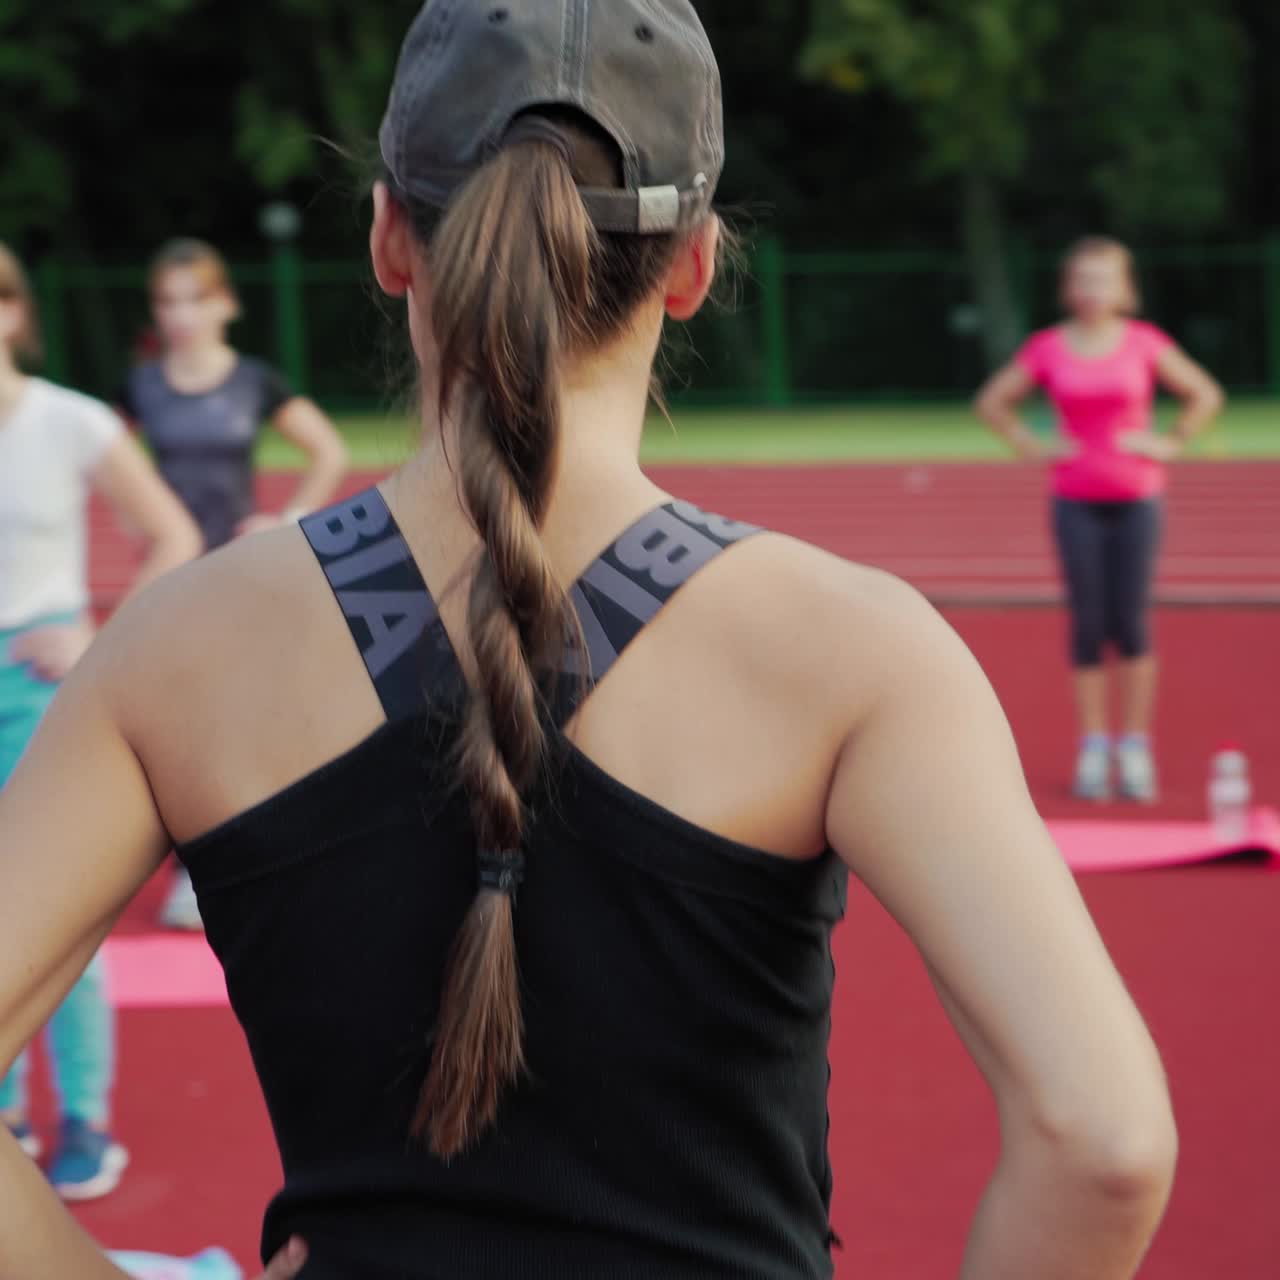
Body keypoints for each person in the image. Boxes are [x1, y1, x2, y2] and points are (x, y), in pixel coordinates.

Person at [0, 6, 1177, 1278]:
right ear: (693, 266)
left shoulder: (175, 644)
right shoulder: (854, 650)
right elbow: (1100, 1142)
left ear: (390, 236)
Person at [0, 243, 201, 1200]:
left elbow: (173, 532)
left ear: (14, 314)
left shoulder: (69, 423)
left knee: (53, 909)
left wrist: (99, 640)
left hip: (36, 689)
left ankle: (81, 1116)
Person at [119, 238, 349, 929]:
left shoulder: (253, 380)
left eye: (195, 298)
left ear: (225, 303)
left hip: (239, 580)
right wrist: (140, 518)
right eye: (167, 300)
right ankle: (187, 869)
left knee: (240, 720)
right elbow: (101, 456)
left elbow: (328, 449)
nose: (180, 314)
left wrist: (289, 517)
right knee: (173, 726)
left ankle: (240, 862)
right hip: (170, 583)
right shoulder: (141, 386)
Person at [975, 238, 1224, 802]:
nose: (1092, 290)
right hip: (1074, 499)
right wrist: (1028, 443)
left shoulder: (1145, 343)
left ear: (1124, 288)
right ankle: (1094, 745)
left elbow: (1205, 392)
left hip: (1137, 498)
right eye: (1083, 280)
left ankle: (1134, 746)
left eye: (1103, 280)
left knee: (1131, 624)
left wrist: (1171, 441)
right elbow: (992, 401)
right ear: (1069, 287)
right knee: (1088, 626)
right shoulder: (1049, 348)